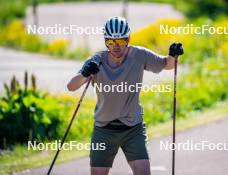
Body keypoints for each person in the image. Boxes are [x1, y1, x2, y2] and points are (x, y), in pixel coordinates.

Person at [67, 16, 183, 175]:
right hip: (104, 129)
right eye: (110, 42)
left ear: (128, 39)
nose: (115, 47)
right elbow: (71, 86)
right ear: (105, 40)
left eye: (120, 41)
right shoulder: (97, 60)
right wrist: (85, 73)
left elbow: (167, 65)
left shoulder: (140, 55)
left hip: (133, 128)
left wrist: (173, 55)